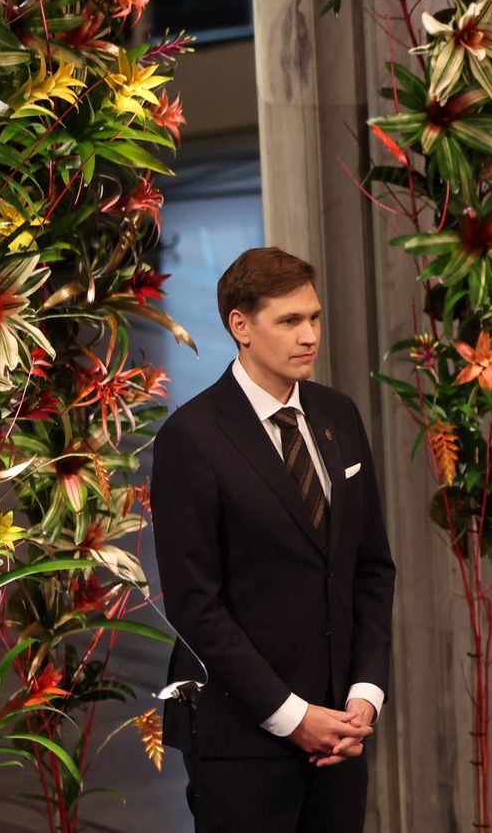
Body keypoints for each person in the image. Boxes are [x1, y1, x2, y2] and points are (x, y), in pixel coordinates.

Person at [152, 247, 396, 832]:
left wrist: (364, 695)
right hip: (241, 740)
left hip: (342, 732)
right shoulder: (191, 438)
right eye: (289, 321)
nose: (309, 335)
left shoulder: (339, 414)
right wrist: (292, 717)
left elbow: (371, 569)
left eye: (313, 318)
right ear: (241, 325)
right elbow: (194, 604)